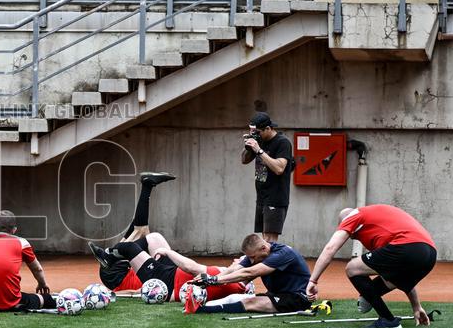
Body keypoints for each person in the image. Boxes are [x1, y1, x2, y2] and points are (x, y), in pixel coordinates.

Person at [88, 172, 251, 304]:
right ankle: (147, 186)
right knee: (152, 236)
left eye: (241, 259)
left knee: (139, 231)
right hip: (163, 273)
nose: (236, 259)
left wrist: (112, 294)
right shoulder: (224, 275)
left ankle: (108, 255)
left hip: (117, 276)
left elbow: (138, 292)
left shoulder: (224, 279)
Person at [306, 205, 437, 328]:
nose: (351, 237)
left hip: (406, 247)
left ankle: (388, 320)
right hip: (430, 255)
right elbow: (404, 276)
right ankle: (384, 314)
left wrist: (313, 280)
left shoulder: (353, 216)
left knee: (352, 268)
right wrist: (416, 306)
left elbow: (330, 248)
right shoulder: (379, 222)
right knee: (379, 287)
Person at [184, 233, 312, 315]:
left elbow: (249, 272)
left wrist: (214, 281)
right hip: (278, 294)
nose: (250, 261)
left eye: (252, 257)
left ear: (264, 248)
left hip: (297, 299)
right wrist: (211, 278)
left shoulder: (282, 254)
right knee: (234, 297)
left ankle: (200, 310)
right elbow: (235, 268)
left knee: (251, 302)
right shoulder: (258, 254)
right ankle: (198, 305)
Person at [0, 210, 54, 312]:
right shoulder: (21, 243)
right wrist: (42, 284)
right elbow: (37, 269)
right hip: (11, 302)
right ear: (14, 230)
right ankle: (18, 304)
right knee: (47, 299)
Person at [240, 112, 293, 242]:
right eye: (253, 132)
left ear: (268, 128)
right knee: (264, 238)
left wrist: (259, 150)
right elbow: (244, 160)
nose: (256, 135)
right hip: (262, 197)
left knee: (270, 240)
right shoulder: (260, 141)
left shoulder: (282, 142)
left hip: (275, 197)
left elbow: (279, 168)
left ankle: (276, 257)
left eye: (258, 132)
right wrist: (249, 147)